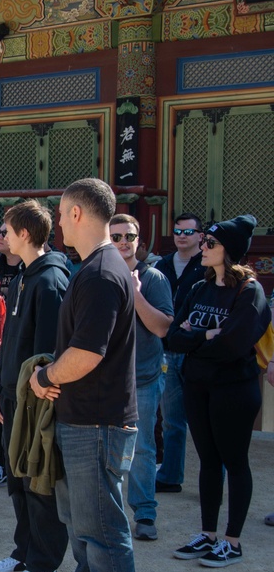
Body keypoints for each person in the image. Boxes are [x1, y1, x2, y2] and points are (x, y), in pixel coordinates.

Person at [28, 178, 138, 572]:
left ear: (75, 213)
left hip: (99, 420)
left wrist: (45, 375)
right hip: (85, 417)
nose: (56, 220)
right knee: (83, 524)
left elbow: (88, 353)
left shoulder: (98, 273)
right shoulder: (96, 266)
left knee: (104, 529)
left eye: (60, 211)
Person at [167, 215, 271, 568]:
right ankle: (208, 533)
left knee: (235, 461)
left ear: (230, 251)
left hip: (234, 389)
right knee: (208, 461)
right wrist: (204, 336)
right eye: (204, 241)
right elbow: (173, 338)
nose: (203, 247)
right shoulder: (199, 287)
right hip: (197, 385)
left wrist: (196, 337)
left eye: (210, 243)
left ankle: (233, 540)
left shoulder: (250, 291)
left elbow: (234, 344)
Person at [0, 200, 70, 572]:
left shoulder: (50, 280)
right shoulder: (24, 275)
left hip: (36, 402)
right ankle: (24, 551)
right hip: (13, 396)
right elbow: (12, 345)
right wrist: (2, 392)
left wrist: (32, 398)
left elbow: (48, 352)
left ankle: (45, 565)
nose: (1, 236)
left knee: (39, 484)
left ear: (24, 234)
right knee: (17, 482)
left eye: (6, 229)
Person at [108, 214, 173, 540]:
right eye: (116, 237)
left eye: (128, 237)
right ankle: (111, 515)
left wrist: (135, 293)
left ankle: (145, 514)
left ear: (139, 240)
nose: (123, 243)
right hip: (107, 380)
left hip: (143, 378)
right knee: (109, 450)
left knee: (143, 449)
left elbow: (162, 327)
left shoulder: (154, 278)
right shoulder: (101, 275)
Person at [154, 212, 206, 494]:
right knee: (172, 420)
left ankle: (212, 482)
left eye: (188, 232)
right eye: (177, 231)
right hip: (167, 349)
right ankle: (171, 476)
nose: (181, 237)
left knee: (205, 423)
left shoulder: (208, 265)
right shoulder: (162, 265)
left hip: (197, 351)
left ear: (201, 235)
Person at [0, 221, 22, 487]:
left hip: (21, 347)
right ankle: (3, 464)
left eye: (4, 233)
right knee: (0, 410)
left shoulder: (31, 268)